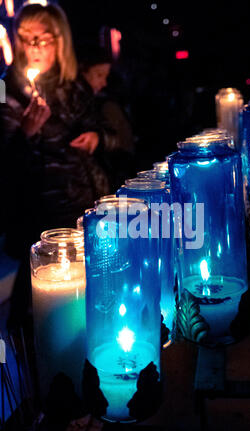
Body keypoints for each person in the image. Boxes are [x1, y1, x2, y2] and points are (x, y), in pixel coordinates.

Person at [0, 4, 109, 329]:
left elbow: (103, 129)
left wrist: (95, 137)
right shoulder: (6, 88)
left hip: (82, 210)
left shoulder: (73, 86)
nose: (34, 47)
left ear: (59, 41)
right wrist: (26, 134)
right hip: (37, 218)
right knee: (36, 312)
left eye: (43, 39)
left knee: (87, 303)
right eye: (26, 38)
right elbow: (4, 161)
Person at [78, 44, 136, 192]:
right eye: (99, 75)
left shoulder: (101, 103)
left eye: (105, 76)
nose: (104, 83)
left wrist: (99, 139)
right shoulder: (82, 106)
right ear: (81, 71)